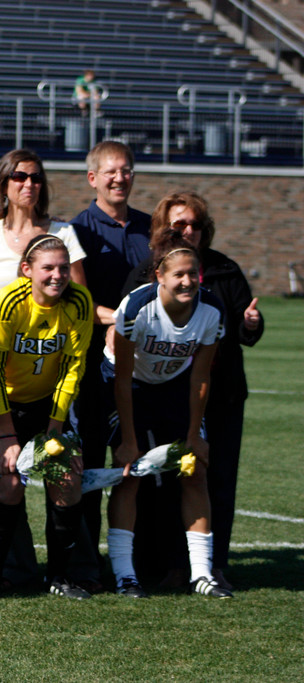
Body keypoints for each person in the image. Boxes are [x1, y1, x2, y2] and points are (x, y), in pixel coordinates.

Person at [121, 191, 263, 591]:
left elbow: (238, 328)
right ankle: (160, 565)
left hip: (220, 393)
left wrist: (251, 324)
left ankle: (212, 566)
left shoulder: (223, 271)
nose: (187, 231)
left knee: (213, 478)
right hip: (163, 394)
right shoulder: (144, 278)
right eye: (178, 225)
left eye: (194, 225)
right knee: (158, 480)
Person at [105, 233, 232, 599]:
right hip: (131, 386)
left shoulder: (211, 311)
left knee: (195, 470)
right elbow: (123, 377)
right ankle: (125, 576)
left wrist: (194, 434)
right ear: (159, 275)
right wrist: (129, 440)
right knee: (130, 475)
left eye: (193, 274)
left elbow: (201, 376)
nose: (187, 281)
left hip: (175, 386)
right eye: (178, 274)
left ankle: (202, 575)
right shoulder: (137, 307)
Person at [0, 235, 93, 599]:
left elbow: (74, 367)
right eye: (48, 268)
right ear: (27, 270)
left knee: (66, 477)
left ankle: (58, 577)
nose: (58, 276)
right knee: (8, 482)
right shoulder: (9, 302)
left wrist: (54, 428)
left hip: (46, 403)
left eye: (63, 268)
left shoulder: (79, 302)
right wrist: (7, 436)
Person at [68, 140, 151, 591]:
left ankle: (132, 563)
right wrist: (120, 319)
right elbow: (79, 300)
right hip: (90, 366)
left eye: (127, 170)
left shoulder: (149, 228)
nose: (120, 178)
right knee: (88, 462)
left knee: (132, 463)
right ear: (93, 178)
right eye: (111, 171)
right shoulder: (79, 230)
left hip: (141, 369)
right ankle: (83, 565)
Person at [0, 149, 87, 329]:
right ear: (4, 184)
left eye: (36, 178)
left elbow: (80, 298)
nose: (29, 183)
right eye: (19, 177)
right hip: (2, 342)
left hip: (51, 344)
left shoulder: (63, 232)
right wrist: (0, 334)